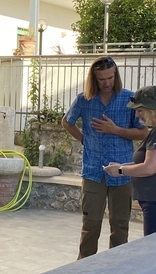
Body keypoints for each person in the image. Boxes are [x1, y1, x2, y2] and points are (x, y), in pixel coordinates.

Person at [62, 56, 148, 260]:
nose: (107, 83)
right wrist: (85, 140)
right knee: (90, 224)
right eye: (101, 79)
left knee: (120, 224)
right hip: (93, 171)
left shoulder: (129, 99)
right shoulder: (84, 99)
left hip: (122, 172)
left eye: (110, 77)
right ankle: (84, 267)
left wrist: (115, 130)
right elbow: (67, 122)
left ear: (116, 75)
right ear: (94, 79)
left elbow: (143, 132)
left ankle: (115, 266)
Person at [104, 86, 156, 236]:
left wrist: (121, 171)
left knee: (155, 250)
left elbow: (149, 168)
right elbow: (151, 162)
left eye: (140, 110)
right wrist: (121, 166)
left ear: (151, 109)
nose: (137, 114)